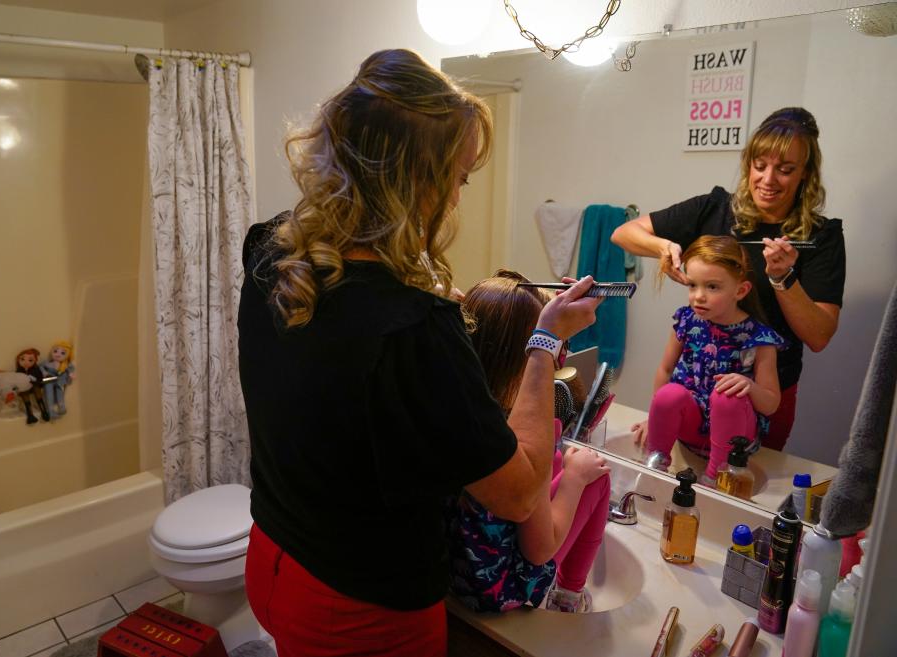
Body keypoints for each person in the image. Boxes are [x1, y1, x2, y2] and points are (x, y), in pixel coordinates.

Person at [237, 49, 602, 657]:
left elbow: (339, 366)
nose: (457, 199)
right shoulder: (416, 330)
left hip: (273, 559)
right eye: (457, 178)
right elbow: (517, 494)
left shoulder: (271, 253)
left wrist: (417, 304)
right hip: (358, 612)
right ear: (415, 183)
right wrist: (543, 345)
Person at [612, 107, 845, 451]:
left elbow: (819, 335)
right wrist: (663, 247)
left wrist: (783, 278)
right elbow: (624, 233)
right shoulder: (715, 209)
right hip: (695, 385)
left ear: (805, 174)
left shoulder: (820, 237)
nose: (768, 179)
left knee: (743, 485)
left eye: (785, 170)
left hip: (768, 392)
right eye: (759, 165)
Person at [447, 270, 611, 614]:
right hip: (500, 591)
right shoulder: (523, 438)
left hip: (452, 580)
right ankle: (568, 595)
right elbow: (541, 548)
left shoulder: (451, 409)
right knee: (593, 474)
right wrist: (574, 478)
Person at [633, 236, 785, 483]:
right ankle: (655, 463)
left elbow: (770, 404)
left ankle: (716, 478)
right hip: (691, 429)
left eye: (712, 287)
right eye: (693, 285)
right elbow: (665, 368)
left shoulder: (759, 337)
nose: (698, 296)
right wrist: (654, 420)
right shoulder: (686, 320)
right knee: (668, 394)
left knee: (727, 395)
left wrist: (750, 387)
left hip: (734, 439)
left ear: (741, 290)